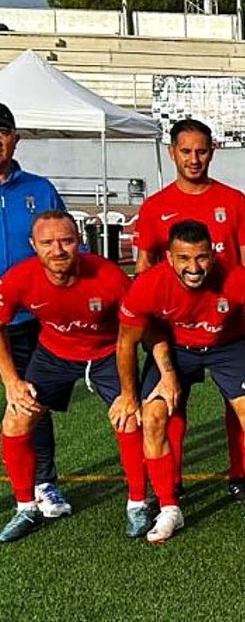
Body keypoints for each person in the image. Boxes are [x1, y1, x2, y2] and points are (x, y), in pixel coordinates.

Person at [117, 221, 245, 543]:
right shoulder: (148, 284)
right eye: (184, 259)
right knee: (154, 418)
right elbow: (126, 342)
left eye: (201, 257)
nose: (193, 267)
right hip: (176, 349)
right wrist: (129, 395)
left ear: (212, 255)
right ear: (170, 259)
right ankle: (170, 507)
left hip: (227, 346)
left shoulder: (236, 278)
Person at [133, 118, 245, 502]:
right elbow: (143, 268)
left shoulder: (233, 200)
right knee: (170, 402)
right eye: (186, 151)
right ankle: (170, 481)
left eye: (201, 151)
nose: (194, 159)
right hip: (176, 331)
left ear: (213, 151)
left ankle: (240, 474)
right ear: (172, 152)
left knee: (239, 405)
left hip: (228, 328)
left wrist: (242, 306)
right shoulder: (156, 207)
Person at [0, 211, 143, 542]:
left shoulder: (107, 276)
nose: (58, 250)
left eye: (65, 241)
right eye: (47, 243)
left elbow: (133, 329)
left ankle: (137, 504)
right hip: (54, 354)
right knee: (15, 420)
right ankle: (26, 507)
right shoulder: (19, 279)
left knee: (129, 419)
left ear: (78, 240)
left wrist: (130, 390)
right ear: (33, 245)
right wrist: (12, 381)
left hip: (108, 352)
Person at [0, 102, 71, 521]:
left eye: (2, 132)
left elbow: (67, 247)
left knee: (31, 401)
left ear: (15, 138)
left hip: (27, 320)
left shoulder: (39, 189)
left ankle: (44, 483)